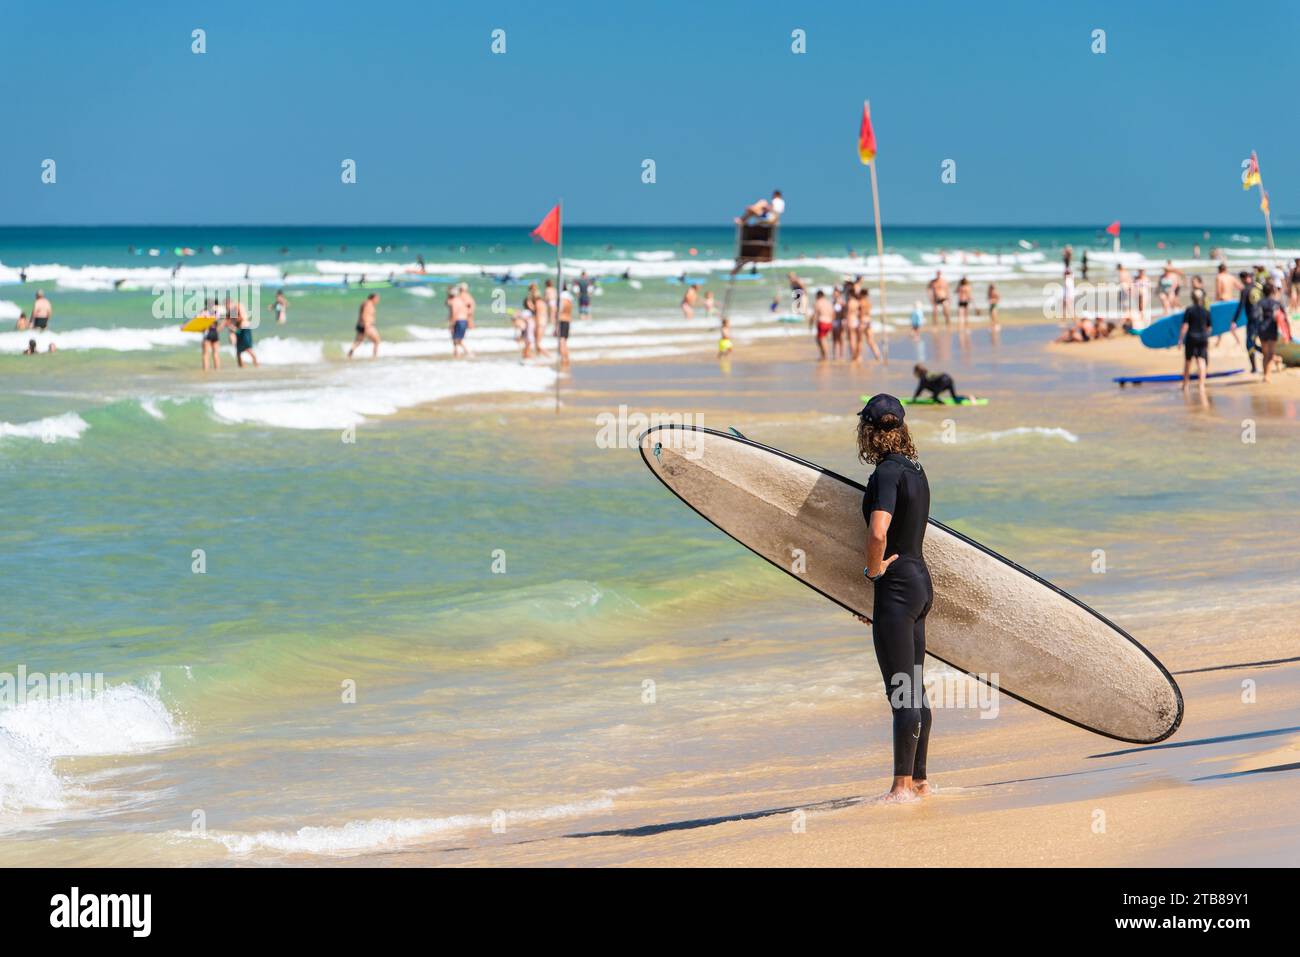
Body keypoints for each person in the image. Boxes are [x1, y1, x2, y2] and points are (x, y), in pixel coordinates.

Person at [856, 394, 934, 802]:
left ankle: (901, 787)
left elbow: (878, 533)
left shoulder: (886, 473)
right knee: (915, 686)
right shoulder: (916, 471)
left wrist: (874, 573)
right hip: (920, 581)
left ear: (867, 432)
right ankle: (919, 780)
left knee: (901, 689)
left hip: (898, 587)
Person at [1179, 288, 1212, 396]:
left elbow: (1185, 326)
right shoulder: (1206, 311)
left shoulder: (1189, 310)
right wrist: (1206, 337)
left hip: (1191, 338)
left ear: (1192, 298)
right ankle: (1201, 385)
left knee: (1188, 361)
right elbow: (1209, 328)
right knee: (1201, 360)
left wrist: (1180, 339)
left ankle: (1185, 385)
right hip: (1203, 338)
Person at [1231, 270, 1263, 372]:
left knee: (1249, 344)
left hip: (1253, 320)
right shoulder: (1258, 287)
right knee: (1259, 342)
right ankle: (1268, 355)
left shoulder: (1245, 290)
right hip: (1262, 319)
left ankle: (1255, 367)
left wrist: (1234, 321)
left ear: (1243, 279)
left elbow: (1240, 307)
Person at [1257, 282, 1285, 383]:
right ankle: (1267, 375)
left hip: (1262, 329)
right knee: (1270, 353)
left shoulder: (1259, 303)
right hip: (1272, 329)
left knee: (1265, 354)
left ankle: (1266, 375)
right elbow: (1283, 318)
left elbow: (1257, 317)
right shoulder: (1276, 303)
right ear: (1273, 291)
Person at [227, 296, 258, 368]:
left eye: (227, 305)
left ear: (230, 303)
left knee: (247, 348)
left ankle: (256, 364)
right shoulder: (231, 311)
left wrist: (231, 324)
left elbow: (242, 318)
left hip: (244, 328)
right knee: (238, 351)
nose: (227, 307)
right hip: (238, 330)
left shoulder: (237, 306)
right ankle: (241, 367)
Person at [348, 293, 381, 359]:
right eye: (377, 298)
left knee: (358, 341)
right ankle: (375, 357)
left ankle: (350, 354)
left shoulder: (365, 303)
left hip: (361, 325)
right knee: (377, 340)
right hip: (367, 325)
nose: (378, 300)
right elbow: (364, 314)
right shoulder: (369, 304)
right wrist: (366, 325)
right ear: (373, 298)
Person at [447, 285, 471, 358]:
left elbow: (454, 313)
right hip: (464, 320)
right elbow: (467, 311)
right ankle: (458, 353)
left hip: (458, 320)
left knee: (456, 339)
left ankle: (465, 353)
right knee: (457, 339)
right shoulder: (460, 300)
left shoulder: (453, 301)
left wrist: (452, 323)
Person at [810, 289, 834, 360]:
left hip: (822, 322)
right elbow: (833, 313)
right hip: (829, 322)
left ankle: (825, 355)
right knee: (819, 339)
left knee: (822, 339)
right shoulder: (828, 303)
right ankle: (823, 354)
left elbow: (814, 315)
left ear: (817, 296)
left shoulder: (818, 302)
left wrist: (811, 324)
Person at [556, 285, 574, 367]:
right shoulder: (570, 298)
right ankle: (567, 358)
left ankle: (564, 359)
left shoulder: (562, 297)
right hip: (568, 320)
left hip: (562, 319)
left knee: (561, 341)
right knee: (565, 341)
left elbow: (560, 308)